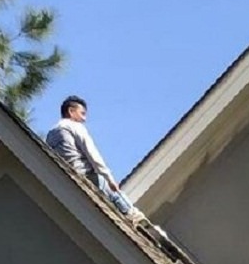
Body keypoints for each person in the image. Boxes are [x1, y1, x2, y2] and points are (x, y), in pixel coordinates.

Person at [46, 97, 171, 248]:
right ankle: (145, 226)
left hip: (71, 180)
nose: (84, 119)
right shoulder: (75, 127)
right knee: (120, 200)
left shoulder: (51, 135)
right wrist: (109, 178)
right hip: (88, 175)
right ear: (71, 111)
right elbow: (93, 155)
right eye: (82, 113)